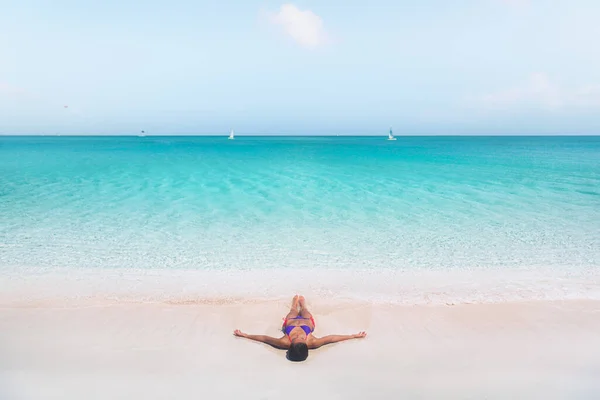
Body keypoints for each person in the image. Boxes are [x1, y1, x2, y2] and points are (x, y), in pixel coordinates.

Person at [233, 295, 367, 362]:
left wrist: (246, 335)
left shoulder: (284, 342)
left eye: (296, 339)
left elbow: (264, 338)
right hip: (307, 322)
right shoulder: (313, 342)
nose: (298, 337)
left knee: (292, 310)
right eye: (300, 339)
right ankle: (302, 305)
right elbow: (331, 338)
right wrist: (353, 336)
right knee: (305, 310)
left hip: (290, 322)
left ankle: (295, 304)